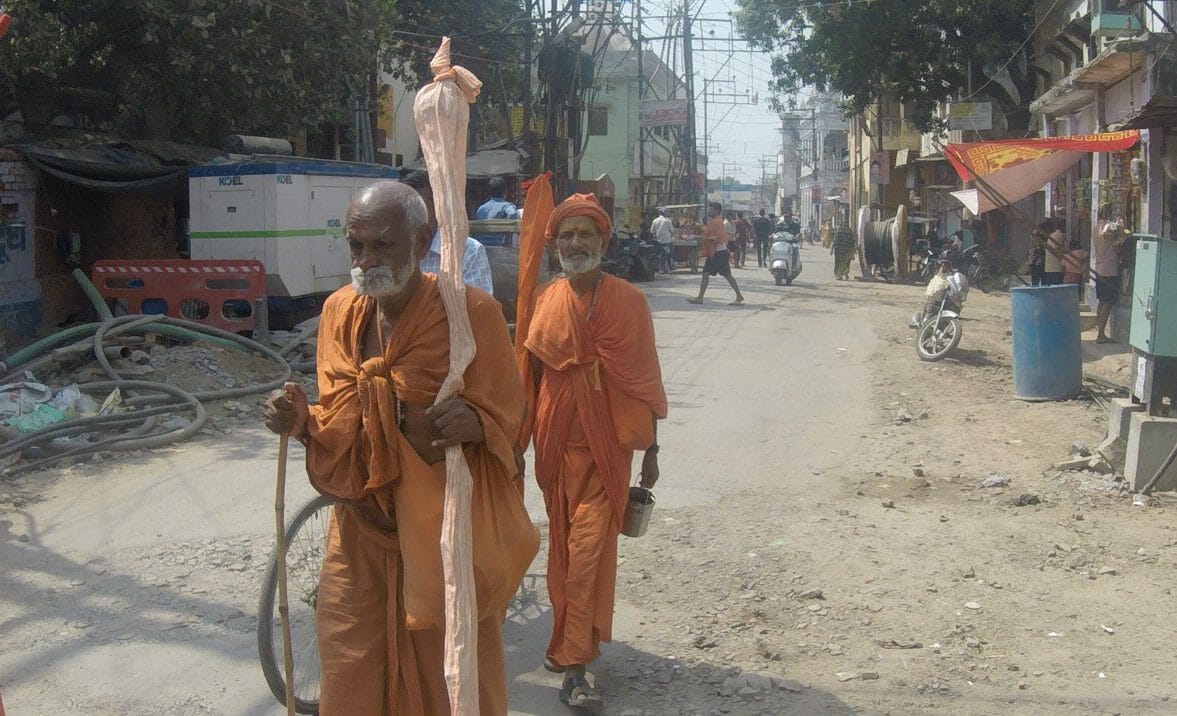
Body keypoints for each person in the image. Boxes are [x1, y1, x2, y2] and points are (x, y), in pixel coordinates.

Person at [262, 181, 538, 714]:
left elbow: (509, 415)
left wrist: (478, 421)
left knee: (452, 678)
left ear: (421, 241)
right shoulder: (340, 311)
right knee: (351, 668)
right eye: (356, 246)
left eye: (383, 245)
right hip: (359, 531)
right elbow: (340, 419)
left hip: (443, 536)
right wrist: (299, 422)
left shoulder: (469, 314)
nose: (367, 260)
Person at [521, 193, 668, 709]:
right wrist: (515, 444)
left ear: (603, 241)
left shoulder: (629, 301)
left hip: (608, 452)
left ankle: (576, 667)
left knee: (586, 554)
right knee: (562, 551)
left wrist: (652, 449)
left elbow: (645, 380)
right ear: (555, 244)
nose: (576, 243)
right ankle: (566, 641)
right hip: (555, 448)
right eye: (567, 235)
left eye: (586, 234)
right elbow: (530, 377)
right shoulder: (544, 300)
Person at [400, 170, 494, 295]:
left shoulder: (467, 251)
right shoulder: (389, 249)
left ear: (439, 208)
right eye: (403, 209)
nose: (411, 215)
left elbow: (479, 310)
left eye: (419, 207)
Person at [687, 202, 744, 305]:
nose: (709, 211)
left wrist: (701, 238)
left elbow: (717, 238)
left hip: (719, 253)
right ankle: (700, 297)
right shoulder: (714, 221)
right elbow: (708, 234)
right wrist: (700, 237)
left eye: (711, 209)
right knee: (705, 273)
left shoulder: (717, 222)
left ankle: (739, 296)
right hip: (713, 253)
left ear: (717, 211)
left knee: (727, 275)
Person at [1093, 210, 1127, 344]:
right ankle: (1101, 334)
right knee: (1106, 302)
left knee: (1102, 302)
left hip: (1100, 267)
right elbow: (1117, 245)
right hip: (1110, 269)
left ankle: (1099, 331)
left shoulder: (1096, 228)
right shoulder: (1108, 229)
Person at [473, 176, 520, 246]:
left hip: (482, 246)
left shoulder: (481, 208)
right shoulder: (507, 206)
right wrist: (508, 239)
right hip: (498, 246)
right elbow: (512, 213)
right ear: (505, 191)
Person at [1041, 220, 1067, 286]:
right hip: (1054, 269)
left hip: (1052, 269)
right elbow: (1057, 251)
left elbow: (1056, 251)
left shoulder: (1054, 235)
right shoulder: (1056, 236)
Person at [651, 207, 675, 274]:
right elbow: (672, 230)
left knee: (659, 255)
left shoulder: (655, 220)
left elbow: (652, 231)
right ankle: (671, 267)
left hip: (658, 241)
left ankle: (660, 269)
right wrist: (671, 235)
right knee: (670, 254)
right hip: (668, 241)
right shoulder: (668, 220)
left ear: (659, 213)